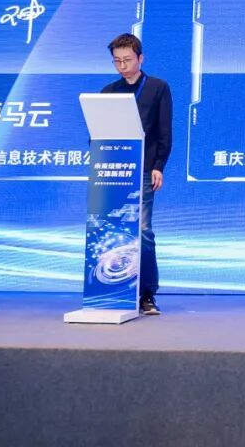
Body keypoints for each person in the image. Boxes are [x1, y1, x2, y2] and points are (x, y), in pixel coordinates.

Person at [101, 33, 172, 316]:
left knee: (142, 231)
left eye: (127, 60)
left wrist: (158, 166)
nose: (123, 66)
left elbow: (165, 132)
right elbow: (98, 132)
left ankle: (147, 294)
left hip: (143, 169)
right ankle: (114, 290)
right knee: (112, 229)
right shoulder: (108, 92)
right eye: (117, 61)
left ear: (140, 59)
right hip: (112, 171)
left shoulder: (157, 87)